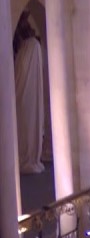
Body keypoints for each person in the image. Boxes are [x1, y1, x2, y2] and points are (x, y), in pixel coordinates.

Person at [12, 12, 45, 174]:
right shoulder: (30, 47)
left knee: (28, 124)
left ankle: (29, 157)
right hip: (25, 98)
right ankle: (29, 157)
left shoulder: (31, 47)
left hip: (25, 97)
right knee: (27, 125)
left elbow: (20, 74)